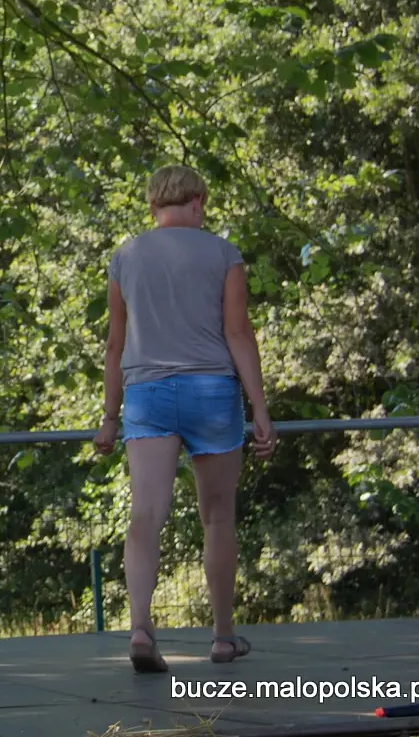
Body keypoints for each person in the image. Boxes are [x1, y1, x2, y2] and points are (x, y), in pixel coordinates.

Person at [92, 164, 277, 673]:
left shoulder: (126, 257)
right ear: (197, 202)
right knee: (217, 515)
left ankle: (140, 628)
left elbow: (115, 345)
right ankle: (222, 637)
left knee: (145, 515)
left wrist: (109, 417)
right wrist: (260, 409)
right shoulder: (223, 254)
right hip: (211, 392)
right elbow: (238, 334)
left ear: (154, 206)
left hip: (146, 394)